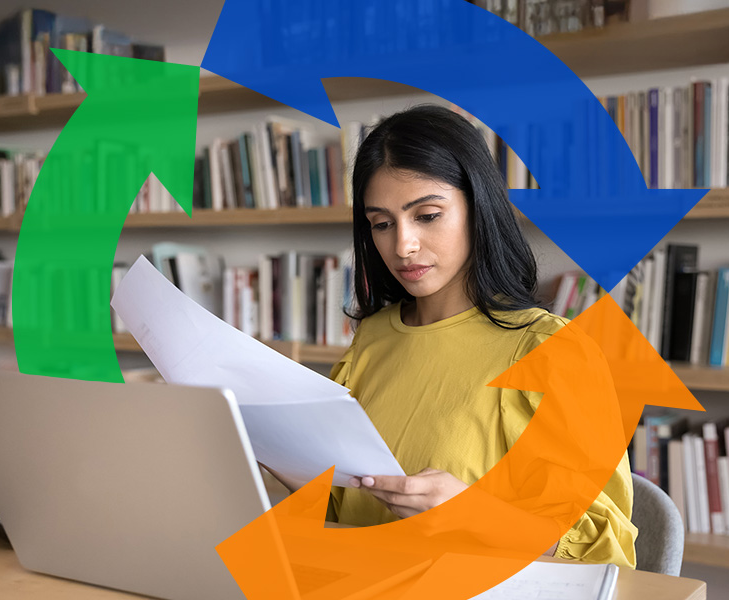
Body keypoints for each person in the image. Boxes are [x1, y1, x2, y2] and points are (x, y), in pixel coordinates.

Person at [267, 103, 636, 569]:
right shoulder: (372, 339)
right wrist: (270, 446)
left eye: (427, 215)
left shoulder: (549, 351)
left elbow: (607, 549)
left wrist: (471, 514)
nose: (402, 246)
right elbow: (346, 506)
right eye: (382, 224)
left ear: (478, 210)